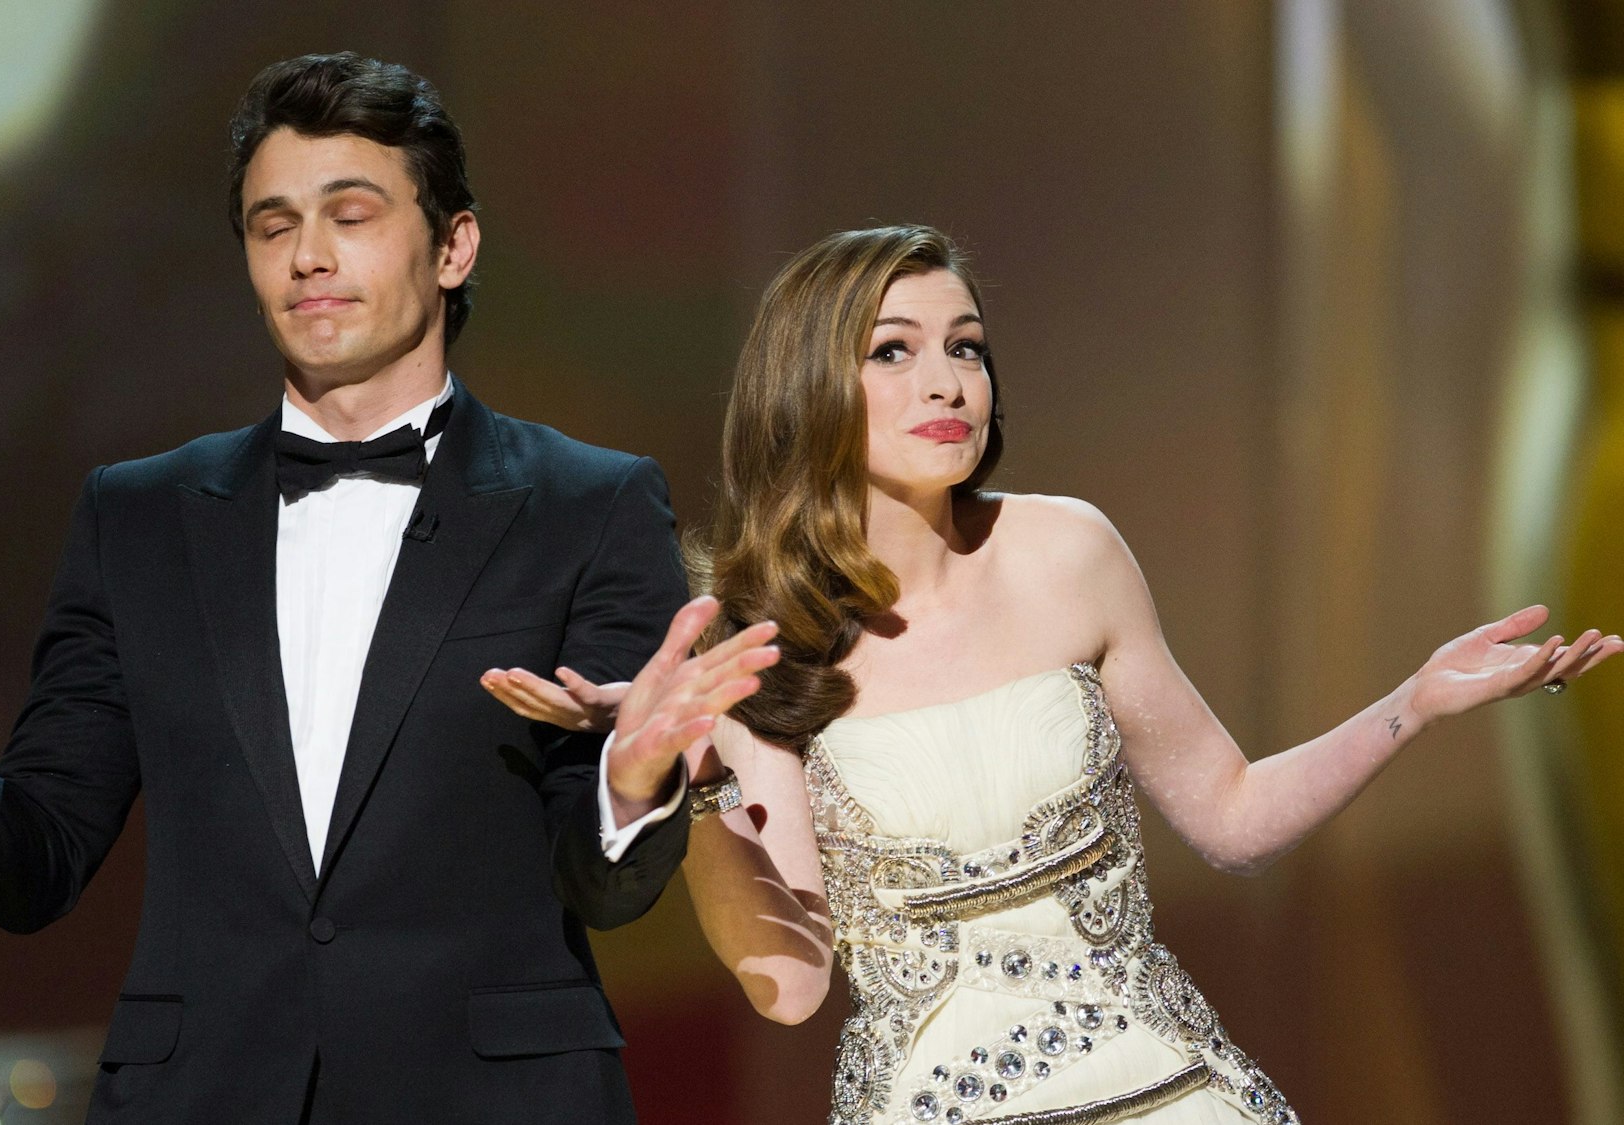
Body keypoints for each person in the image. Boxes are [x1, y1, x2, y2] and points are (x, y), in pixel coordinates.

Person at [0, 53, 779, 1123]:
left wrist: (630, 786)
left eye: (351, 214)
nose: (307, 256)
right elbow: (33, 856)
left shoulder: (587, 503)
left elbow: (604, 885)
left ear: (454, 247)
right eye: (272, 224)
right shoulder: (138, 517)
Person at [483, 224, 1624, 1124]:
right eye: (894, 350)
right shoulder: (758, 638)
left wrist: (1412, 704)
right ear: (807, 389)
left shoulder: (1069, 548)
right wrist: (692, 775)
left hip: (1163, 1089)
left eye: (964, 347)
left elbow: (1228, 817)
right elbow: (788, 988)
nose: (947, 383)